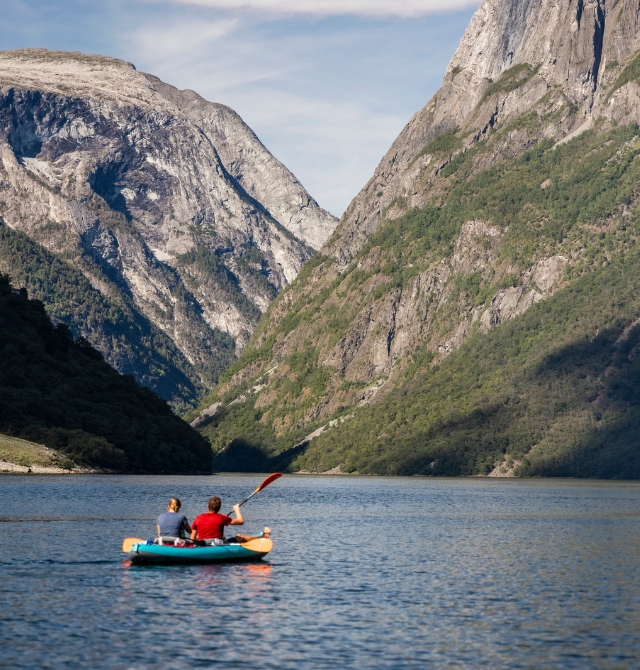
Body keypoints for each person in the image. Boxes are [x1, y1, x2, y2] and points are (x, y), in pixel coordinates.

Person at [190, 495, 270, 544]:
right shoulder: (221, 518)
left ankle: (261, 536)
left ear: (208, 506)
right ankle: (262, 537)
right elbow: (241, 521)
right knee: (239, 537)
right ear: (219, 507)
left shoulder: (198, 518)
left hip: (203, 544)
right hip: (218, 545)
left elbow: (192, 539)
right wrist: (237, 509)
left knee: (238, 535)